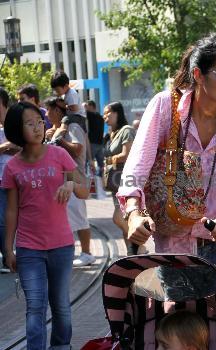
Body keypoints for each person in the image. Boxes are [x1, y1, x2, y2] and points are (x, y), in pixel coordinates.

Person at [117, 33, 216, 331]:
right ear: (198, 74)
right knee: (180, 333)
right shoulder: (165, 107)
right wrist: (134, 213)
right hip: (178, 241)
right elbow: (137, 168)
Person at [2, 101, 89, 350]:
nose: (38, 128)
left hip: (61, 245)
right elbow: (11, 211)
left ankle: (61, 346)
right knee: (35, 305)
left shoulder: (59, 155)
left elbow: (82, 189)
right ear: (17, 130)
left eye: (39, 122)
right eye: (29, 124)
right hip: (29, 248)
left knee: (60, 304)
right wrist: (9, 249)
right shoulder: (12, 167)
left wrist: (70, 184)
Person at [44, 97, 96, 267]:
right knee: (69, 219)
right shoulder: (56, 128)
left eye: (49, 110)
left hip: (74, 177)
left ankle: (87, 253)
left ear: (57, 111)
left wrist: (59, 140)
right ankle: (73, 252)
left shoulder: (72, 126)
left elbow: (77, 148)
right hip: (61, 178)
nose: (46, 114)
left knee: (79, 217)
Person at [103, 102, 136, 255]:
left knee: (119, 217)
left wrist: (110, 160)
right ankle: (132, 252)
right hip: (115, 182)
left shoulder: (126, 130)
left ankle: (138, 244)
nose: (105, 117)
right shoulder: (112, 133)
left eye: (108, 113)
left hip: (126, 180)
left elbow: (127, 154)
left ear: (117, 113)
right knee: (123, 218)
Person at [0, 88, 19, 273]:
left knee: (9, 219)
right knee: (3, 219)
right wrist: (6, 147)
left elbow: (25, 147)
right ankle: (7, 256)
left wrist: (7, 147)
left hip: (18, 180)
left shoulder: (15, 124)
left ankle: (10, 256)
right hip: (2, 180)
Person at [84, 100, 104, 176]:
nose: (86, 108)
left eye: (87, 106)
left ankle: (92, 179)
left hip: (92, 144)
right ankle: (101, 179)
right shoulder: (101, 117)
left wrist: (84, 107)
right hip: (100, 143)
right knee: (101, 165)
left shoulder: (90, 115)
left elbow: (83, 111)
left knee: (89, 162)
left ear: (91, 106)